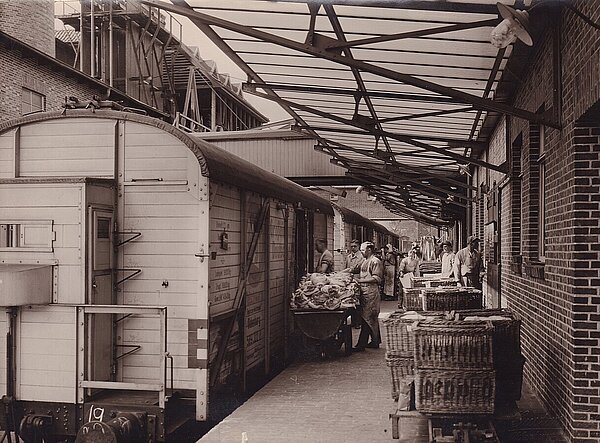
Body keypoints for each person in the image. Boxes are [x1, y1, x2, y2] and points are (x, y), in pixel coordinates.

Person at [354, 242, 383, 351]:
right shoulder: (365, 261)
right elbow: (355, 269)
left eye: (362, 249)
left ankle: (361, 344)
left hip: (371, 292)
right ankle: (375, 341)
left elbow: (377, 278)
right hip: (365, 292)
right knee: (368, 317)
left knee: (368, 317)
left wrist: (361, 280)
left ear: (369, 250)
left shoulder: (375, 261)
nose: (361, 251)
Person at [343, 239, 365, 329]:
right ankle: (353, 321)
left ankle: (358, 322)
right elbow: (346, 268)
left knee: (358, 302)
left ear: (358, 247)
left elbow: (359, 268)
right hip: (350, 281)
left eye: (355, 246)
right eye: (351, 246)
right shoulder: (348, 257)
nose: (353, 248)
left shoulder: (361, 257)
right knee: (350, 301)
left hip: (358, 280)